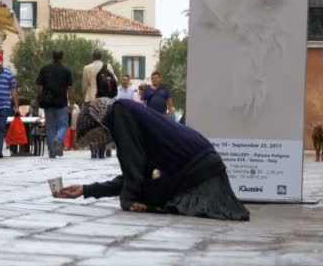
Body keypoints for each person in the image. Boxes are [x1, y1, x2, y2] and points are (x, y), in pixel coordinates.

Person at [58, 98, 250, 221]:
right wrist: (86, 189)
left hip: (198, 169)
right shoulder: (128, 112)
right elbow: (135, 174)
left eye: (97, 136)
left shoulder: (120, 113)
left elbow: (132, 171)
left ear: (100, 123)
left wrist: (129, 201)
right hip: (206, 165)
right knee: (145, 187)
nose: (101, 141)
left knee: (146, 193)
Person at [36, 49, 75, 158]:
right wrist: (71, 103)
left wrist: (40, 98)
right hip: (61, 102)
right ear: (62, 57)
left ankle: (52, 152)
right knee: (63, 125)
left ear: (52, 56)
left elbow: (39, 86)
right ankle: (58, 139)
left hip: (48, 102)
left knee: (50, 127)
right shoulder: (66, 70)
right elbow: (70, 88)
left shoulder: (44, 69)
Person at [82, 48, 116, 159]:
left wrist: (85, 96)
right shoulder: (108, 67)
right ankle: (102, 151)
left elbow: (84, 85)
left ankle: (93, 151)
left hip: (91, 98)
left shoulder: (87, 68)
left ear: (92, 56)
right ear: (101, 56)